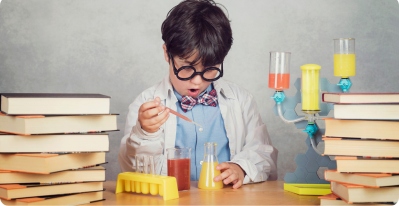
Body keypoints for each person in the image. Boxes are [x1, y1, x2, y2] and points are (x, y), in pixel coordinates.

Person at [118, 0, 277, 189]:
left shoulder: (241, 101)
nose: (197, 81)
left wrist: (241, 168)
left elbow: (263, 152)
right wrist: (146, 133)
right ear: (167, 54)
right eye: (187, 68)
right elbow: (134, 170)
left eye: (210, 69)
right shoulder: (145, 104)